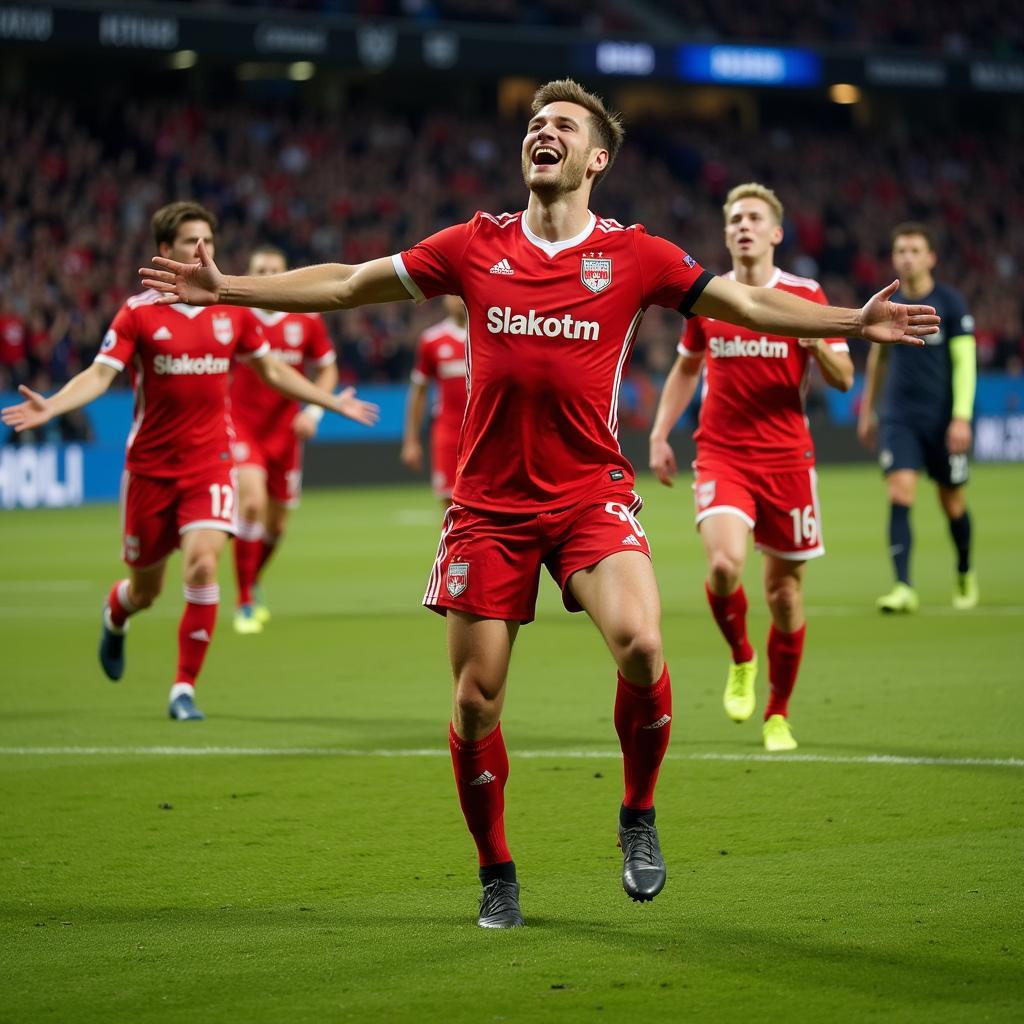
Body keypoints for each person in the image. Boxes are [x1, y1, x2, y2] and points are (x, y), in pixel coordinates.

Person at [137, 81, 938, 928]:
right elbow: (347, 284)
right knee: (477, 699)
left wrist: (850, 321)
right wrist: (228, 290)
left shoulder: (637, 256)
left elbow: (744, 301)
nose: (540, 132)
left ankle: (637, 812)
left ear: (597, 159)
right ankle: (496, 870)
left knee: (640, 643)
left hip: (591, 492)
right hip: (488, 506)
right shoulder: (473, 245)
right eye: (533, 123)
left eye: (561, 125)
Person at [2, 202, 378, 721]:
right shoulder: (138, 313)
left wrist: (327, 401)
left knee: (203, 562)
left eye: (209, 241)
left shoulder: (231, 311)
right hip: (150, 471)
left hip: (211, 462)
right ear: (165, 251)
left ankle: (183, 688)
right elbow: (98, 374)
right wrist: (53, 403)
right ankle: (117, 612)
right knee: (146, 588)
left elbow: (270, 371)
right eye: (189, 242)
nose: (203, 251)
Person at [649, 183, 855, 753]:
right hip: (722, 452)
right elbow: (688, 368)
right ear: (726, 233)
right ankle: (742, 656)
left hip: (788, 458)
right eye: (734, 218)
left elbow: (844, 378)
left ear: (775, 232)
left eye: (754, 217)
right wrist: (660, 431)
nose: (743, 225)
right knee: (723, 564)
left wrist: (812, 334)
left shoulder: (805, 293)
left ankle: (778, 713)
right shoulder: (710, 296)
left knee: (785, 596)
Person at [857, 223, 978, 613]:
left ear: (931, 258)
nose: (906, 257)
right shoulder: (886, 306)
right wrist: (868, 410)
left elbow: (964, 363)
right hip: (900, 417)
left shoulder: (951, 303)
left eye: (914, 250)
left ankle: (963, 570)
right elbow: (878, 358)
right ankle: (903, 587)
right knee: (900, 492)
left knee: (952, 502)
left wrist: (960, 417)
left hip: (942, 419)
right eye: (900, 251)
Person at [230, 245, 340, 634]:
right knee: (253, 504)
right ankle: (244, 602)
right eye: (261, 269)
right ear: (250, 272)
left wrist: (313, 413)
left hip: (286, 433)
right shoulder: (237, 317)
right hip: (242, 428)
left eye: (275, 269)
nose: (268, 274)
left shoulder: (305, 320)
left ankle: (250, 579)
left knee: (276, 527)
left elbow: (328, 368)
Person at [400, 295, 468, 511]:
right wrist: (411, 441)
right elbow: (419, 391)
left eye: (460, 294)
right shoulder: (432, 340)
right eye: (451, 294)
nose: (456, 300)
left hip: (486, 433)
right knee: (450, 502)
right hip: (448, 432)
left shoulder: (490, 333)